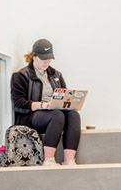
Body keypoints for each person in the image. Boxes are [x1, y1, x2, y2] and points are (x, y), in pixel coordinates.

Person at [10, 39, 80, 167]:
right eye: (43, 58)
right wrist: (43, 105)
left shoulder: (56, 75)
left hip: (54, 112)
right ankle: (48, 159)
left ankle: (69, 160)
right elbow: (18, 104)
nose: (46, 62)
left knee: (74, 115)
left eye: (48, 59)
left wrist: (69, 102)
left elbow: (64, 95)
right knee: (57, 114)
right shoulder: (21, 76)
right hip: (32, 115)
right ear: (34, 56)